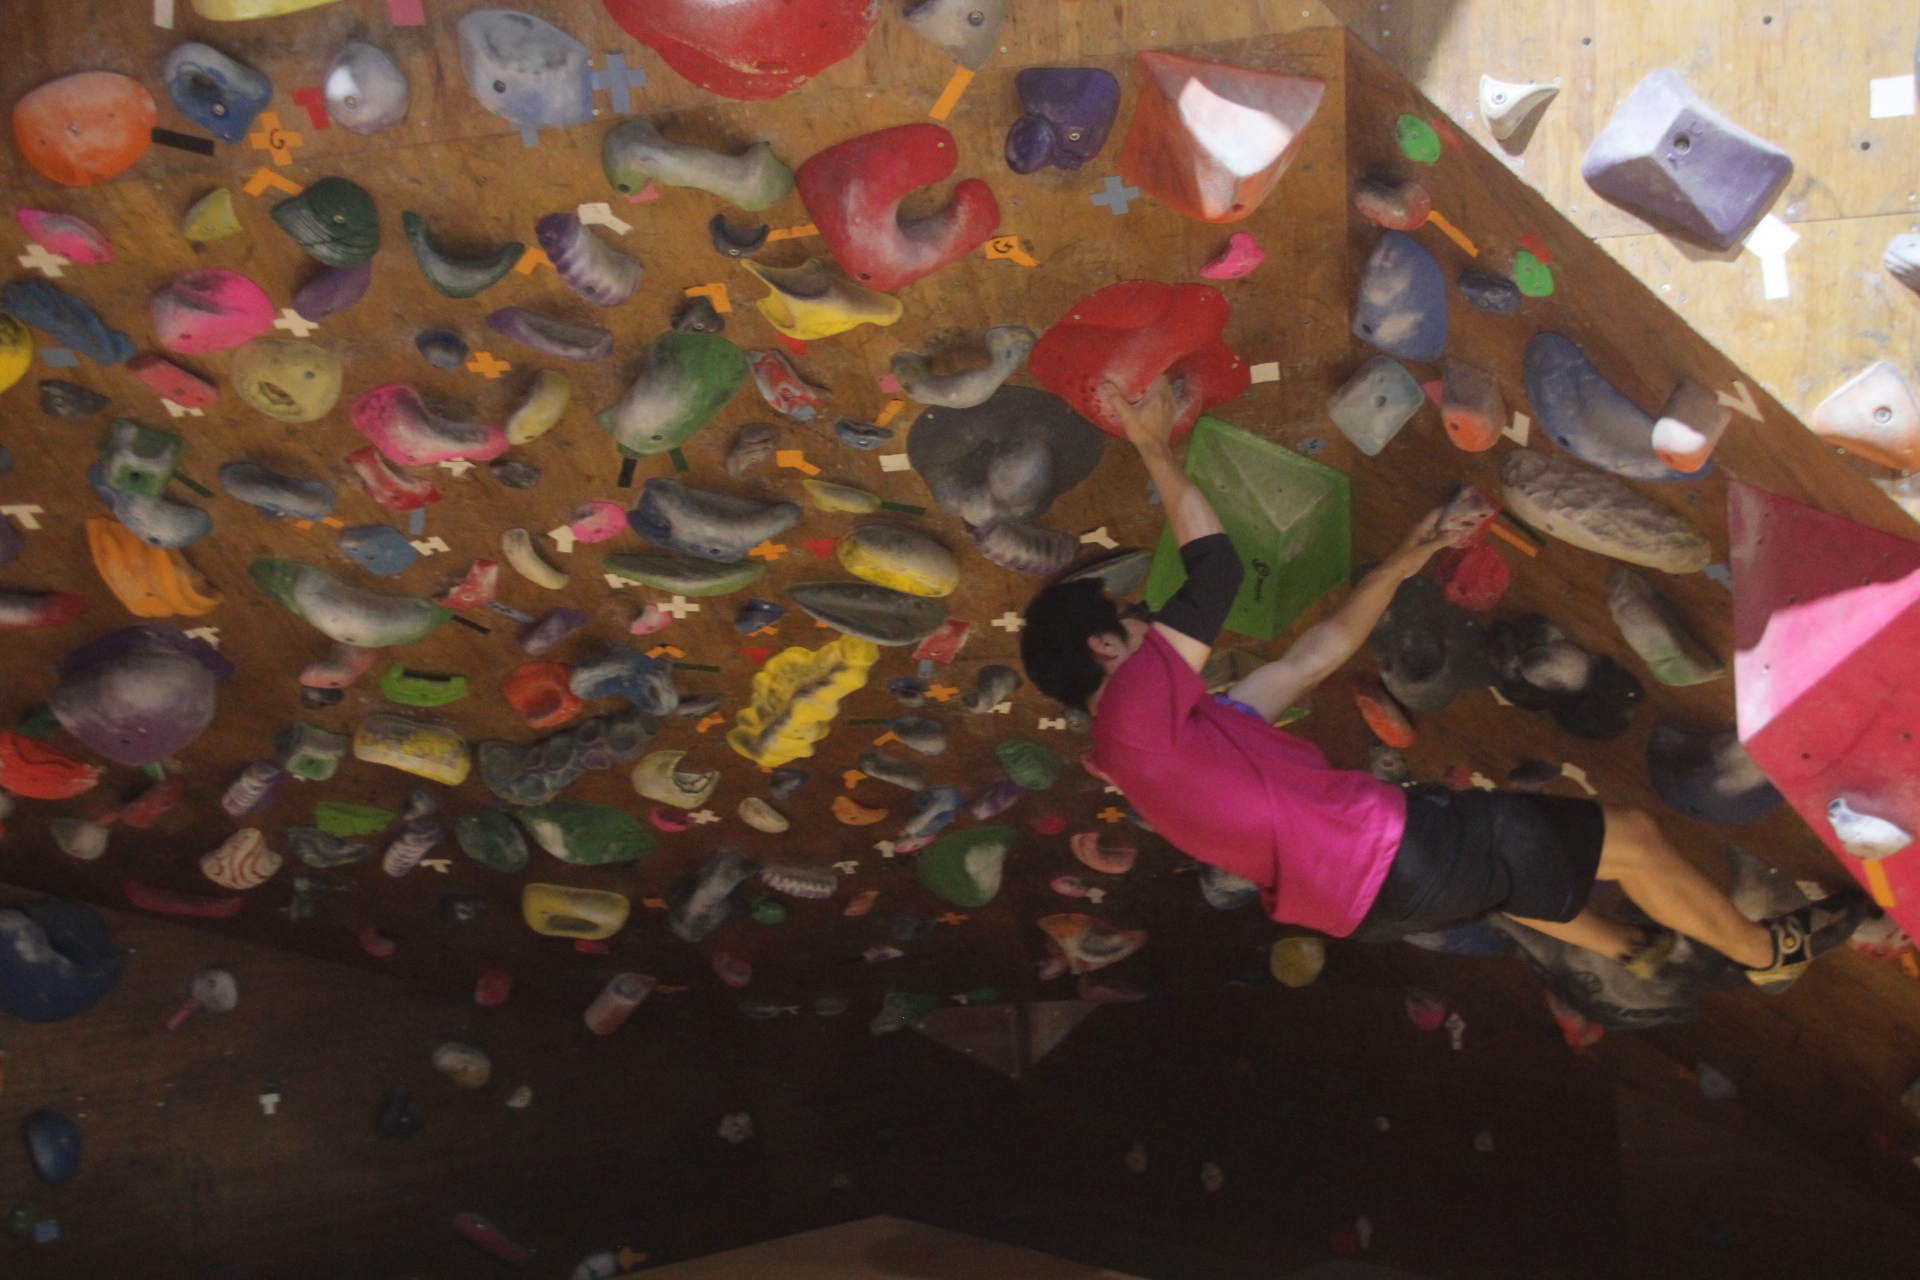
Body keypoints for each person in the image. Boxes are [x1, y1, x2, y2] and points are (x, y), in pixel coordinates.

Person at [1018, 376, 1867, 988]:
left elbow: (1310, 658)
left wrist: (1407, 558)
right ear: (1104, 646)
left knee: (1503, 861)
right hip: (1395, 855)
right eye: (1134, 619)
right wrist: (1155, 450)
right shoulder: (1133, 714)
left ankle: (1626, 949)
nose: (1150, 622)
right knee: (1633, 837)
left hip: (1379, 896)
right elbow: (1216, 572)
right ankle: (1767, 955)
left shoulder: (1169, 745)